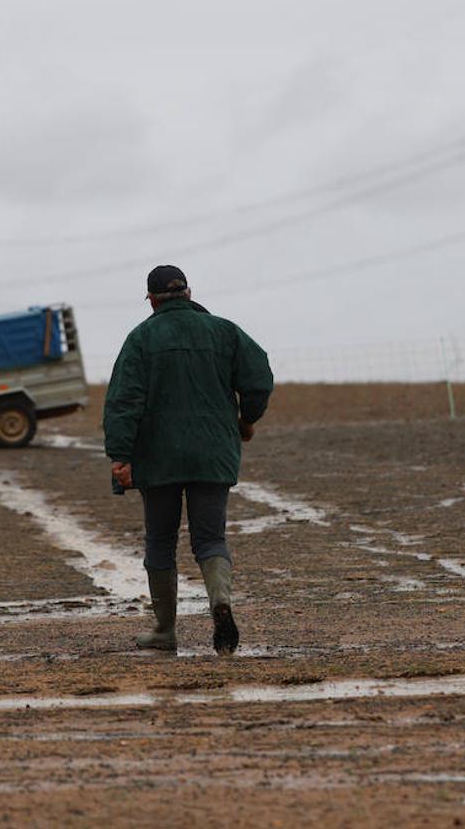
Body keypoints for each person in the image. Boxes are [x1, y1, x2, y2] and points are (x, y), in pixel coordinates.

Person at [103, 265, 274, 655]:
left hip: (158, 459)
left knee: (160, 542)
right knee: (211, 539)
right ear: (189, 293)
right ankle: (220, 603)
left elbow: (123, 401)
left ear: (151, 299)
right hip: (213, 454)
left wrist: (120, 457)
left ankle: (165, 631)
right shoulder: (224, 331)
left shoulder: (141, 338)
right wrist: (246, 420)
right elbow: (259, 378)